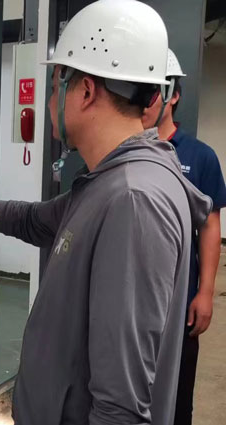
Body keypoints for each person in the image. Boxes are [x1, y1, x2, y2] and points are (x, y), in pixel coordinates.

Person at [0, 0, 212, 423]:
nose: (50, 102)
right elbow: (33, 220)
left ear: (85, 91)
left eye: (55, 87)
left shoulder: (133, 200)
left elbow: (121, 406)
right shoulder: (111, 181)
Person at [142, 49, 226, 425]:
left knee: (176, 401)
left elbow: (209, 226)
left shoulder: (199, 156)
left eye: (155, 91)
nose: (145, 100)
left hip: (179, 300)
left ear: (173, 95)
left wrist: (205, 292)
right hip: (131, 298)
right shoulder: (125, 149)